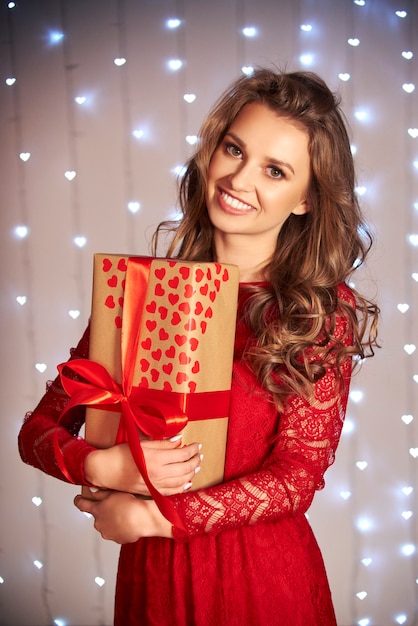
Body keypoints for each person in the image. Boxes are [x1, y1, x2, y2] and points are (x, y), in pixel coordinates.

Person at [18, 67, 379, 625]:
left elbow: (297, 477)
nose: (239, 178)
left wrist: (156, 520)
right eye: (234, 149)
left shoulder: (318, 313)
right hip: (152, 581)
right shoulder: (139, 295)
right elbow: (37, 431)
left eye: (275, 170)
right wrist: (105, 467)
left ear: (306, 199)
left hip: (255, 579)